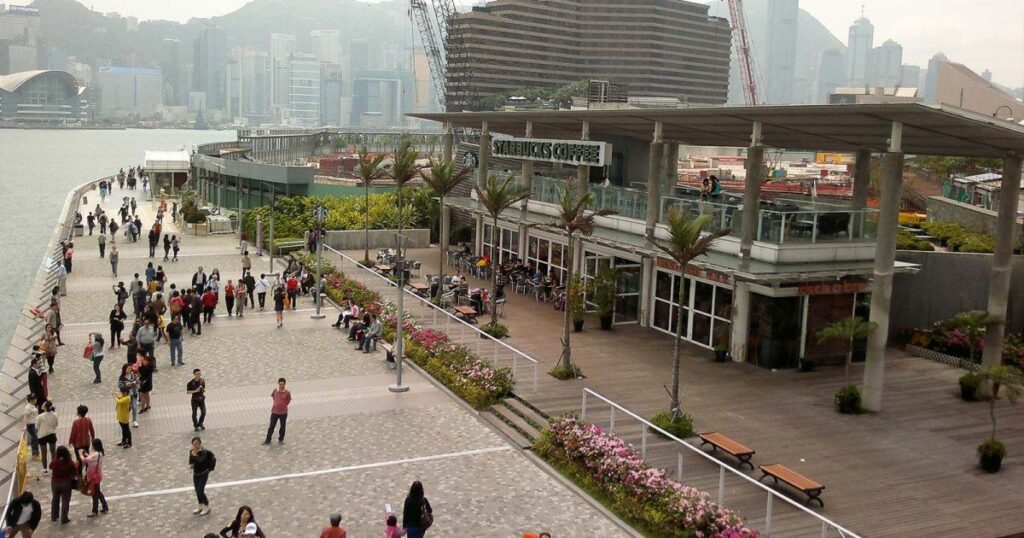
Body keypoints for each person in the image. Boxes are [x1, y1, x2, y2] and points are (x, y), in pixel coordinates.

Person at [189, 437, 215, 516]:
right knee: (197, 490)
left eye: (196, 444)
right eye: (193, 444)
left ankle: (206, 506)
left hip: (203, 473)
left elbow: (200, 461)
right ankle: (200, 505)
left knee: (200, 490)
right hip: (196, 473)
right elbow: (191, 461)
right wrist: (191, 465)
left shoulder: (204, 452)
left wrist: (194, 455)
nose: (195, 446)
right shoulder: (191, 452)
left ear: (200, 444)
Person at [49, 446, 75, 524]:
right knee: (65, 501)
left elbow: (50, 466)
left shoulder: (55, 461)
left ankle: (54, 516)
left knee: (55, 499)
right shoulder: (69, 461)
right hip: (66, 483)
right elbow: (74, 471)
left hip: (55, 483)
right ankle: (64, 518)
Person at [83, 438, 108, 516]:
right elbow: (90, 458)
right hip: (96, 475)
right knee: (97, 491)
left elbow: (86, 460)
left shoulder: (97, 454)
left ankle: (95, 510)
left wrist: (81, 454)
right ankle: (104, 506)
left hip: (94, 476)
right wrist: (86, 454)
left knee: (94, 493)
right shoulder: (98, 453)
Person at [264, 378, 291, 445]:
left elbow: (288, 400)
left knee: (282, 427)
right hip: (274, 412)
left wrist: (283, 405)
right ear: (278, 384)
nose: (281, 385)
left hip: (283, 413)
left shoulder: (287, 393)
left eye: (282, 384)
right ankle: (267, 440)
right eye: (280, 384)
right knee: (271, 426)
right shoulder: (275, 391)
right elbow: (273, 396)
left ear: (285, 384)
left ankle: (281, 439)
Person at [35, 401, 57, 473]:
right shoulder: (55, 414)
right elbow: (56, 424)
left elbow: (36, 427)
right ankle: (54, 468)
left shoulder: (40, 416)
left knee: (44, 453)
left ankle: (45, 469)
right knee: (53, 452)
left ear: (44, 407)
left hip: (42, 435)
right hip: (52, 434)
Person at [22, 395, 39, 460]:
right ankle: (35, 453)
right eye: (35, 399)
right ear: (32, 400)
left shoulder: (32, 405)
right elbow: (25, 417)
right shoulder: (28, 407)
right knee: (35, 438)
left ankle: (35, 454)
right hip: (31, 425)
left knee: (34, 439)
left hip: (34, 424)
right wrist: (24, 426)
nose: (36, 400)